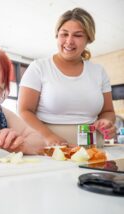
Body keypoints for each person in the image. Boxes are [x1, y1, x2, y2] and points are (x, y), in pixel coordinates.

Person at [18, 8, 116, 147]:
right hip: (49, 147)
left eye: (78, 35)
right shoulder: (39, 67)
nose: (69, 41)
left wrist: (106, 122)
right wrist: (48, 136)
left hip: (93, 149)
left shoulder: (98, 71)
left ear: (88, 38)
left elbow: (108, 111)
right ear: (57, 35)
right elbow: (24, 110)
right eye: (64, 34)